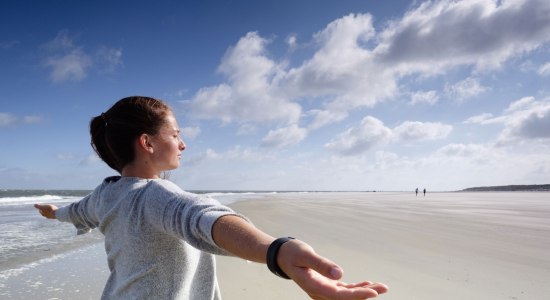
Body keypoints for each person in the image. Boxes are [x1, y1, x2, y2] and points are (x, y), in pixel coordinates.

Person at [34, 96, 388, 300]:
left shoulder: (104, 195)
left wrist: (51, 212)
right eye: (176, 134)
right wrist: (276, 251)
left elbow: (74, 212)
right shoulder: (156, 195)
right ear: (148, 143)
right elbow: (203, 219)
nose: (183, 144)